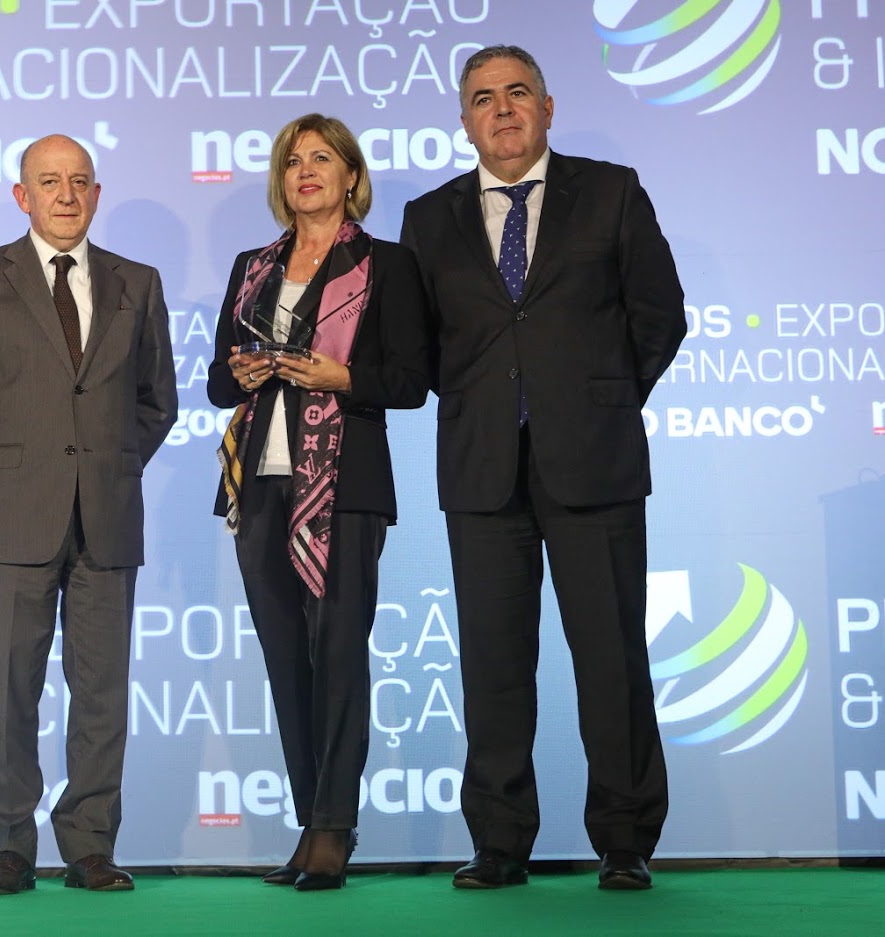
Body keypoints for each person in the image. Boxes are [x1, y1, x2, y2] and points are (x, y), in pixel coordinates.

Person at [399, 45, 685, 890]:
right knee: (492, 666)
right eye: (483, 98)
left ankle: (624, 838)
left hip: (593, 464)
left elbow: (659, 315)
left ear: (547, 107)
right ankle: (498, 840)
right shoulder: (427, 218)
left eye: (517, 92)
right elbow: (418, 345)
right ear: (464, 121)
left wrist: (600, 398)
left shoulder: (610, 192)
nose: (502, 109)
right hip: (481, 469)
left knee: (610, 659)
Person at [0, 134, 176, 895]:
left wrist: (102, 467)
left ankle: (90, 845)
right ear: (22, 195)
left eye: (79, 182)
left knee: (102, 692)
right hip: (8, 518)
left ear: (95, 195)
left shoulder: (138, 282)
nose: (65, 195)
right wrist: (2, 476)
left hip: (107, 516)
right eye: (49, 181)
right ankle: (11, 845)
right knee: (8, 689)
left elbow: (156, 401)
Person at [207, 114, 431, 891]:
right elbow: (216, 382)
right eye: (292, 160)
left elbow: (410, 380)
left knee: (336, 656)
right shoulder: (253, 266)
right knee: (285, 660)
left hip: (344, 486)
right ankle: (308, 823)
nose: (305, 170)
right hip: (258, 482)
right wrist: (239, 373)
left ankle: (335, 826)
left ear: (349, 176)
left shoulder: (385, 265)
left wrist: (343, 378)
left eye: (321, 158)